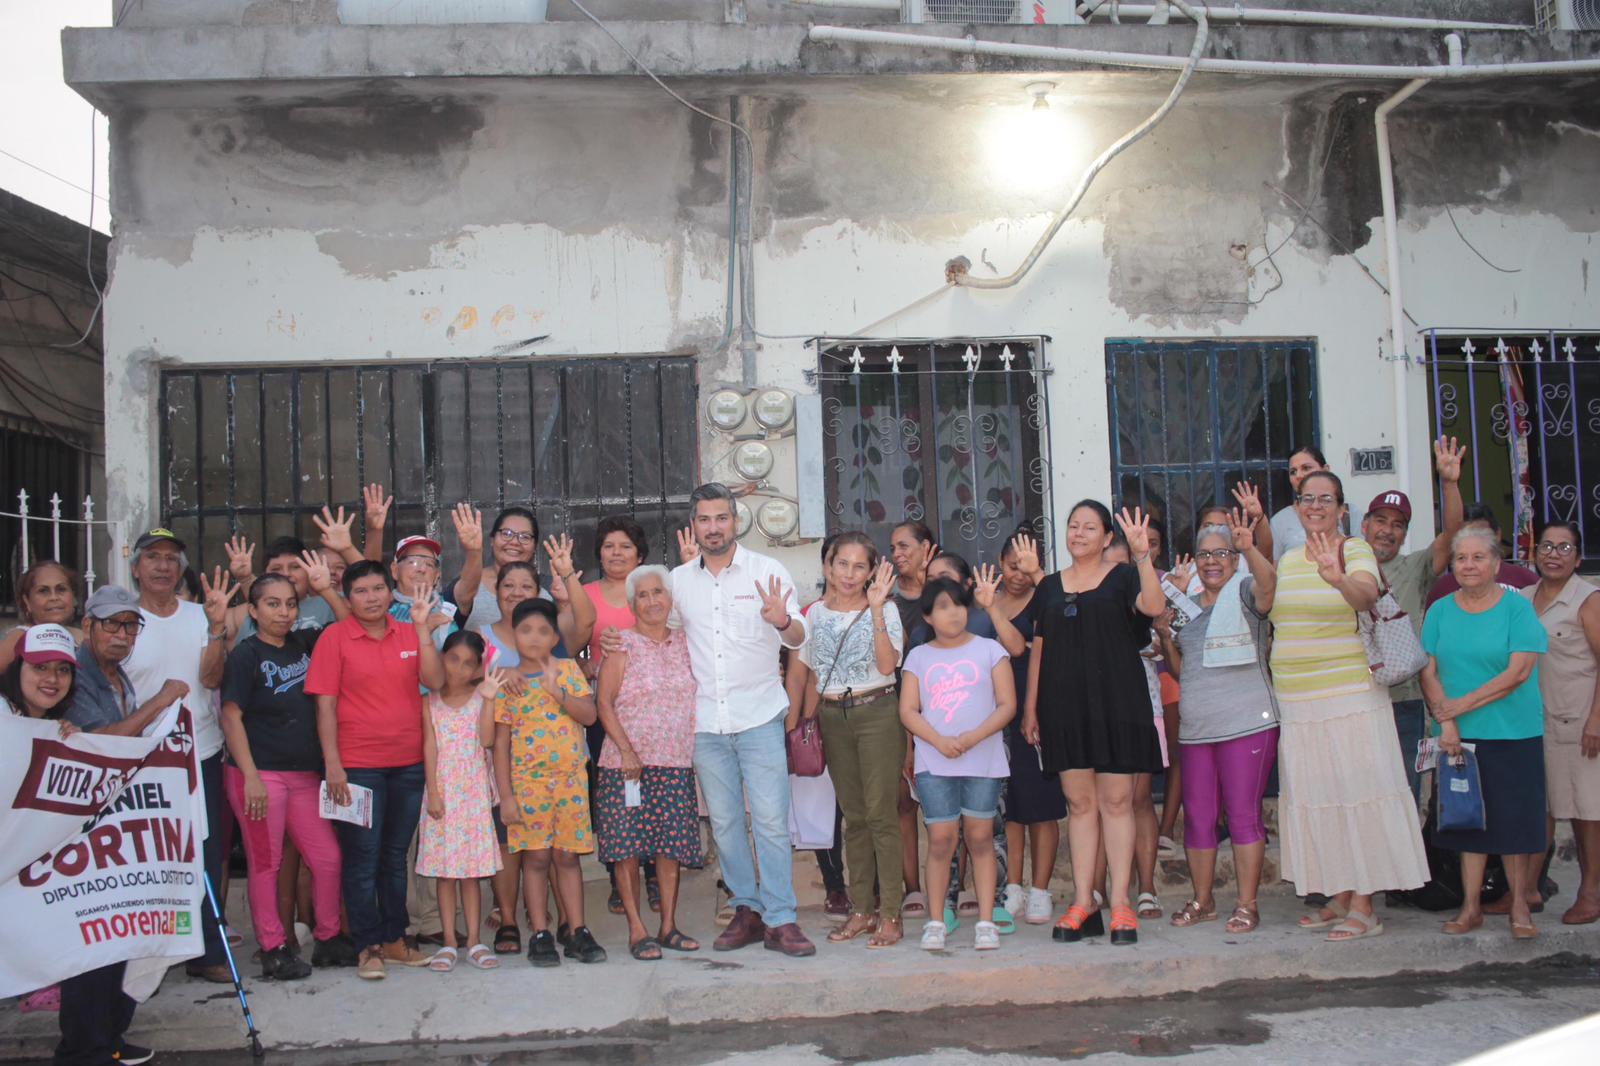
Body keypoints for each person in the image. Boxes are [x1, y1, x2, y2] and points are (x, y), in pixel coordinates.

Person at [1262, 470, 1428, 941]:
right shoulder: (1291, 557)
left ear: (1341, 508)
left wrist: (1336, 578)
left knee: (1359, 795)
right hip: (1298, 698)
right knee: (1322, 796)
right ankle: (1340, 893)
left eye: (1326, 498)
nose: (1315, 505)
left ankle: (1365, 906)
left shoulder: (1354, 549)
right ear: (1297, 507)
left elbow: (1366, 594)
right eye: (1306, 498)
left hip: (1349, 695)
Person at [671, 482, 815, 956]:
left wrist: (779, 619)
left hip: (758, 717)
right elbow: (665, 640)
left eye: (721, 518)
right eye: (704, 519)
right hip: (706, 724)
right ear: (693, 525)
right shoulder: (678, 582)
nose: (713, 527)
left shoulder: (766, 571)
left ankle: (782, 919)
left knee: (772, 821)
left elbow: (797, 637)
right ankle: (747, 910)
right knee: (727, 824)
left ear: (736, 521)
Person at [1023, 501, 1166, 947]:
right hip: (1064, 706)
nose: (1079, 533)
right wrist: (1031, 708)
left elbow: (1154, 607)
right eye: (1073, 526)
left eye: (1090, 527)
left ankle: (1121, 901)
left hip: (1118, 703)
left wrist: (1142, 556)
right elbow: (1040, 648)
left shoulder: (1124, 577)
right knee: (1079, 804)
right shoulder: (1047, 587)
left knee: (1118, 802)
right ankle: (1084, 901)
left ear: (1107, 538)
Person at [305, 560, 445, 979]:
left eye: (378, 589)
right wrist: (333, 765)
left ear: (391, 592)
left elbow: (435, 681)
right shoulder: (335, 637)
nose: (371, 597)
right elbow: (324, 705)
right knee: (362, 859)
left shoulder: (408, 632)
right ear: (348, 597)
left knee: (394, 856)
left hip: (407, 766)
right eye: (361, 591)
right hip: (357, 767)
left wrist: (423, 633)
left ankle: (394, 937)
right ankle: (367, 946)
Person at [219, 569, 356, 979]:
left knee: (328, 858)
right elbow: (230, 716)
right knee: (266, 863)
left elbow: (347, 622)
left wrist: (326, 587)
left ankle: (328, 938)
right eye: (272, 604)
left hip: (303, 776)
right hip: (259, 775)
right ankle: (273, 946)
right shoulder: (246, 654)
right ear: (254, 610)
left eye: (290, 603)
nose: (283, 612)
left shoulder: (304, 644)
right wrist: (251, 777)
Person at [119, 528, 237, 982]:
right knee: (145, 857)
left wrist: (215, 628)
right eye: (153, 557)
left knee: (205, 854)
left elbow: (211, 680)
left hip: (199, 755)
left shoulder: (201, 616)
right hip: (139, 759)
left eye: (172, 558)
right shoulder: (122, 621)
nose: (163, 566)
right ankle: (142, 953)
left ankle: (205, 952)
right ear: (137, 568)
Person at [1421, 526, 1549, 940]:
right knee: (1467, 823)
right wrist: (1448, 721)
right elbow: (1429, 670)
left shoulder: (1516, 609)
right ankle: (1470, 907)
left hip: (1515, 732)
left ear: (1496, 563)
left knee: (1514, 824)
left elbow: (1518, 673)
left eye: (1479, 557)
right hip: (1462, 736)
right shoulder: (1439, 610)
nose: (1469, 565)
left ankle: (1518, 907)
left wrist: (1458, 706)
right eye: (1461, 558)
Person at [1159, 516, 1279, 933]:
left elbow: (1269, 587)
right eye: (1205, 554)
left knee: (1244, 815)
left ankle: (1247, 904)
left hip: (1247, 722)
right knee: (1198, 817)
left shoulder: (1245, 591)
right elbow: (1178, 668)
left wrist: (1251, 549)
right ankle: (1203, 899)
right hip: (1197, 728)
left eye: (1222, 554)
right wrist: (1162, 630)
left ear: (1233, 559)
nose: (1213, 562)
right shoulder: (1184, 603)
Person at [594, 565, 704, 960]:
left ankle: (668, 927)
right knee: (626, 847)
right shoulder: (620, 646)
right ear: (632, 604)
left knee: (668, 848)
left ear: (670, 598)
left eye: (659, 592)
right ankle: (637, 930)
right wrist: (626, 750)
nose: (653, 600)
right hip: (628, 767)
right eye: (644, 595)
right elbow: (603, 702)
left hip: (674, 762)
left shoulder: (688, 643)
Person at [802, 534, 905, 948]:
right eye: (841, 564)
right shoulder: (813, 615)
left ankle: (892, 914)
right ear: (828, 566)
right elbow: (809, 675)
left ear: (872, 571)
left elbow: (886, 664)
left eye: (859, 566)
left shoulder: (888, 610)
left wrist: (877, 610)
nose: (849, 574)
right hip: (832, 715)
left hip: (876, 711)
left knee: (881, 814)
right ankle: (861, 910)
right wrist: (803, 723)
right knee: (854, 816)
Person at [902, 577, 1016, 951]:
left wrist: (971, 738)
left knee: (981, 838)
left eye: (959, 604)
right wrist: (939, 741)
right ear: (928, 617)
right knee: (940, 840)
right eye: (943, 607)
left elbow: (1007, 705)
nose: (953, 613)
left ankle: (986, 920)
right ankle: (936, 921)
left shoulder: (990, 650)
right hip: (935, 762)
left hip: (982, 759)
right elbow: (908, 711)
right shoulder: (918, 656)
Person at [493, 598, 606, 966]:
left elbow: (589, 716)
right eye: (525, 630)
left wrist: (560, 693)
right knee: (536, 858)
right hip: (528, 785)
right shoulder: (507, 682)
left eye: (544, 630)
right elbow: (500, 744)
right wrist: (505, 796)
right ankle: (540, 932)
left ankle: (578, 930)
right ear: (514, 635)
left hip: (570, 782)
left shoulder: (568, 670)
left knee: (567, 856)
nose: (535, 637)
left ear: (555, 636)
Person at [1360, 437, 1468, 804]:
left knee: (1403, 794)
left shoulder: (1416, 567)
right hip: (1356, 699)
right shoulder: (1343, 567)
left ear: (1405, 534)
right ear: (1364, 525)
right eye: (1380, 521)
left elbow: (1454, 535)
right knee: (1362, 796)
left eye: (1397, 525)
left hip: (1404, 701)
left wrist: (1450, 482)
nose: (1387, 530)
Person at [1522, 521, 1600, 925]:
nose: (1553, 554)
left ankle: (1591, 893)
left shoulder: (1588, 600)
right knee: (1543, 809)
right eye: (1547, 546)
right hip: (1536, 721)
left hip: (1580, 722)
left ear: (1578, 557)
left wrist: (1597, 721)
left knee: (1588, 812)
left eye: (1564, 548)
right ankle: (1527, 891)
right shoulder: (1523, 598)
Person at [417, 631, 506, 973]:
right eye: (453, 658)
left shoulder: (482, 696)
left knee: (471, 873)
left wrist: (489, 699)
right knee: (445, 873)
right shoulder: (430, 701)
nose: (460, 667)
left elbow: (486, 739)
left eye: (469, 662)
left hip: (472, 795)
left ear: (477, 668)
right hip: (442, 793)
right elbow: (429, 747)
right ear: (442, 658)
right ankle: (450, 944)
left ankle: (474, 941)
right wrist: (434, 793)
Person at [995, 531, 1061, 926]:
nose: (1018, 574)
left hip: (1038, 708)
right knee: (1012, 808)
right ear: (1000, 563)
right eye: (1011, 565)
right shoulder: (989, 600)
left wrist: (1032, 711)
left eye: (1026, 565)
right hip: (996, 714)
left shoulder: (1047, 596)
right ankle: (1014, 887)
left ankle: (1040, 890)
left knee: (1042, 804)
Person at [65, 585, 188, 738]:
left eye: (131, 625)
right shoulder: (73, 676)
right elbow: (101, 741)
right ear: (87, 625)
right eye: (111, 623)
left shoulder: (115, 671)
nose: (122, 635)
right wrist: (162, 699)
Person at [223, 536, 349, 645]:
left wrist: (326, 589)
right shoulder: (254, 617)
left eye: (294, 567)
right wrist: (245, 578)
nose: (286, 574)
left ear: (308, 570)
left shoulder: (330, 603)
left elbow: (353, 627)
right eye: (276, 569)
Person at [1425, 503, 1540, 607]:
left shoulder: (1526, 581)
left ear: (1498, 535)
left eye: (1481, 535)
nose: (1473, 543)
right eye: (1465, 536)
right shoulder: (1442, 590)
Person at [0, 560, 82, 672]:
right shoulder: (20, 638)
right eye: (43, 591)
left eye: (61, 589)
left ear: (73, 596)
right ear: (27, 601)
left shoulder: (82, 637)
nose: (54, 597)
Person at [1268, 446, 1330, 562]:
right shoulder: (1280, 521)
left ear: (1325, 470)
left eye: (1306, 468)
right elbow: (1274, 571)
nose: (1299, 476)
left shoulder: (1349, 515)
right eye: (1293, 472)